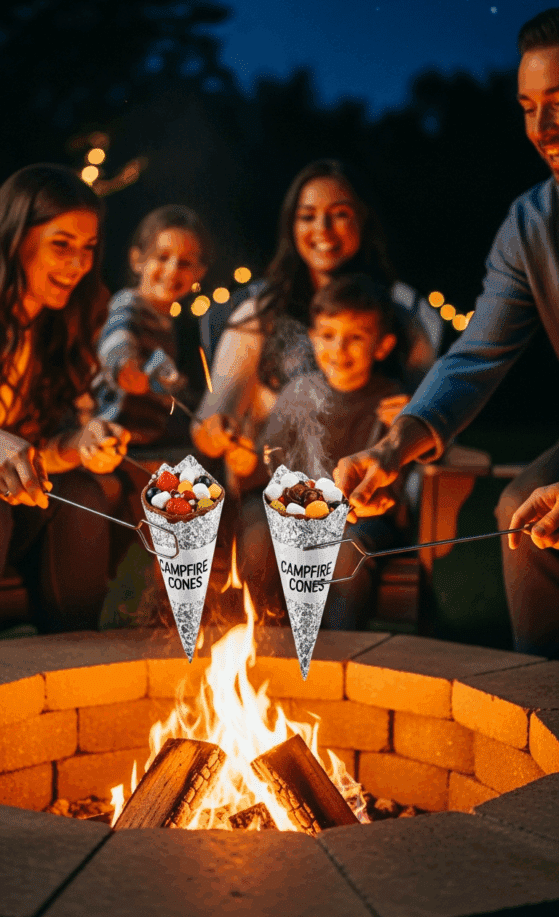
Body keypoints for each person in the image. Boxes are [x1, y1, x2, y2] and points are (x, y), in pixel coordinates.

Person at [334, 7, 559, 659]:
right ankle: (543, 710)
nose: (542, 129)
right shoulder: (530, 225)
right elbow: (474, 357)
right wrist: (390, 449)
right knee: (522, 513)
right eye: (526, 106)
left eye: (558, 102)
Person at [191, 159, 426, 481]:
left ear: (363, 220)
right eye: (307, 216)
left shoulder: (400, 320)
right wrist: (218, 431)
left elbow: (437, 420)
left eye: (340, 214)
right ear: (291, 226)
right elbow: (214, 414)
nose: (322, 229)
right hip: (272, 492)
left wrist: (416, 421)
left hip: (365, 497)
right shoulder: (261, 317)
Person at [232, 274, 407, 629]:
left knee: (346, 556)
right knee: (256, 533)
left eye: (355, 337)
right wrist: (244, 459)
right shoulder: (299, 392)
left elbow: (395, 484)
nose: (339, 350)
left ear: (383, 345)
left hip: (357, 518)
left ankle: (337, 658)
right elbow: (265, 465)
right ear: (312, 338)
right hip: (287, 509)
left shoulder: (392, 401)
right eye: (328, 336)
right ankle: (266, 642)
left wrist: (405, 426)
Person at [0, 164, 130, 632]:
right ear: (16, 236)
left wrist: (81, 443)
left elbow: (40, 451)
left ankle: (71, 668)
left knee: (82, 496)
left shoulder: (62, 327)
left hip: (18, 512)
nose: (78, 265)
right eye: (62, 245)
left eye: (88, 250)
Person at [95, 205, 213, 446]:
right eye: (162, 257)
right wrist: (124, 365)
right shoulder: (129, 304)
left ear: (198, 273)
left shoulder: (168, 324)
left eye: (184, 263)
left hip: (144, 441)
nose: (172, 270)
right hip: (108, 437)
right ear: (137, 260)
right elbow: (117, 337)